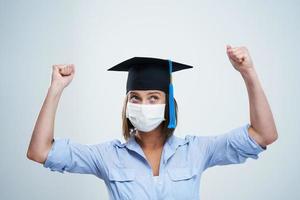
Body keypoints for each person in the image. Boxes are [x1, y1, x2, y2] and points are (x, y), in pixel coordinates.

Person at [27, 45, 278, 200]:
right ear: (127, 105)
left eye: (153, 98)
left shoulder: (195, 151)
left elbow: (263, 135)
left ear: (167, 104)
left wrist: (249, 73)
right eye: (135, 98)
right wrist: (56, 89)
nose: (143, 105)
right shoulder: (107, 156)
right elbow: (40, 151)